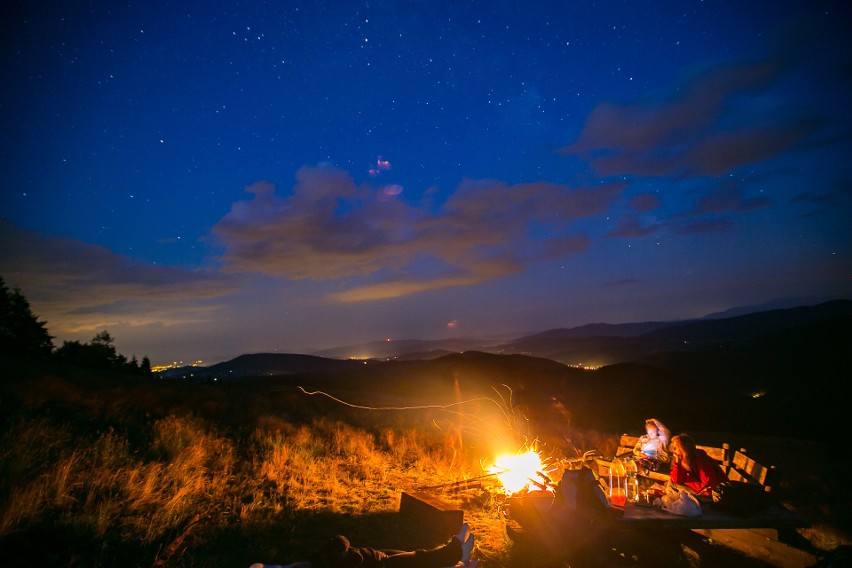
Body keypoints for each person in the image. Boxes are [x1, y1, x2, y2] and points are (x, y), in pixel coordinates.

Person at [250, 522, 476, 568]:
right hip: (382, 565)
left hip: (377, 556)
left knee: (415, 558)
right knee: (420, 558)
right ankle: (455, 550)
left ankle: (458, 562)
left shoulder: (313, 563)